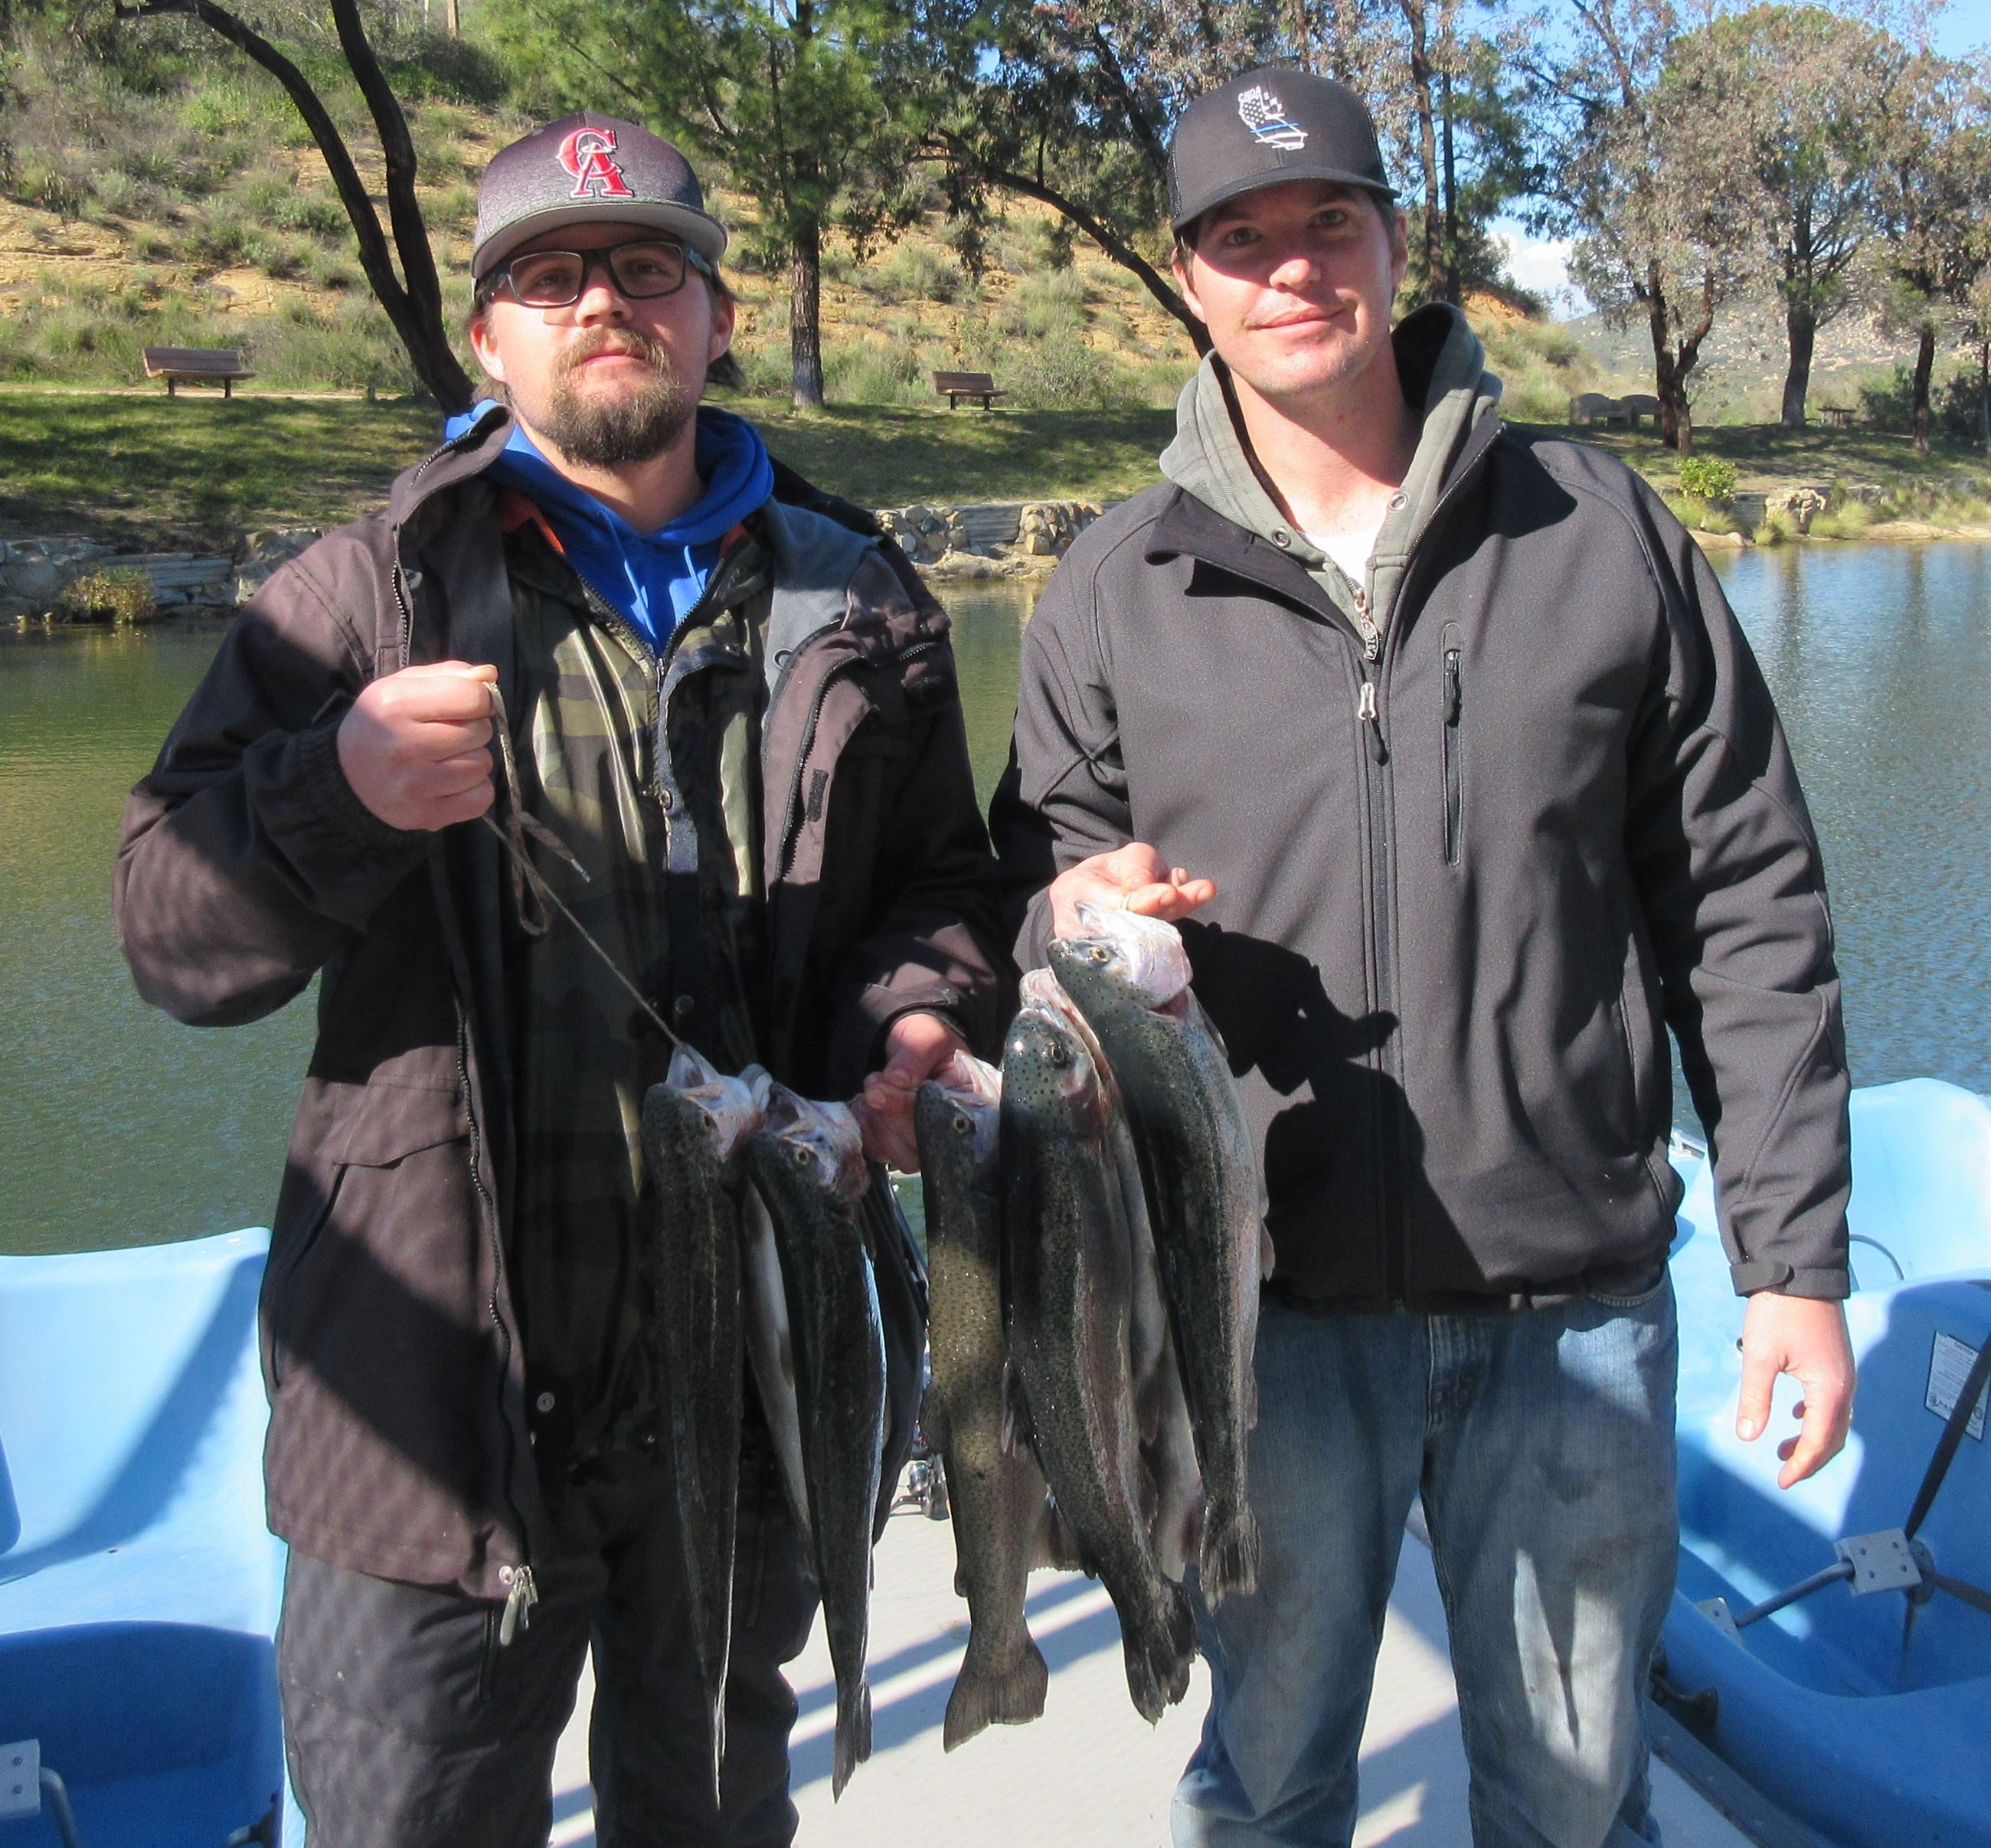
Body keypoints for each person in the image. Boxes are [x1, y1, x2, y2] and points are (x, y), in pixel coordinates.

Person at [114, 112, 1004, 1848]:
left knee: (720, 1814)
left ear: (716, 312)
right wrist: (336, 793)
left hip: (753, 1383)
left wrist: (918, 1018)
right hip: (434, 1415)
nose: (603, 301)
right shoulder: (360, 595)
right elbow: (166, 934)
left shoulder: (862, 598)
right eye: (547, 274)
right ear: (487, 335)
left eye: (646, 265)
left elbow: (944, 889)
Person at [990, 68, 1856, 1848]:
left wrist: (1794, 1261)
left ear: (1397, 244)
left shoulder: (1594, 527)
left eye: (1329, 223)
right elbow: (1027, 890)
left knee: (1568, 1798)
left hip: (1572, 1318)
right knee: (1274, 1778)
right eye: (1243, 238)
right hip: (1258, 1320)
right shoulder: (1111, 582)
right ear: (1187, 278)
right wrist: (1071, 927)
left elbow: (1746, 897)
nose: (1291, 268)